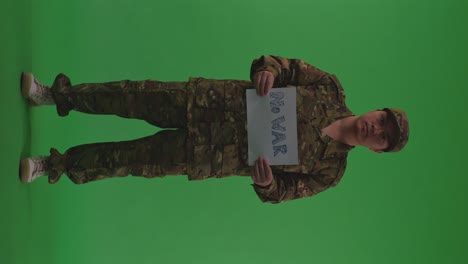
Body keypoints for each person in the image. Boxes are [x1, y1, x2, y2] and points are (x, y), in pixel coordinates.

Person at [19, 55, 410, 204]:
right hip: (207, 101)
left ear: (377, 149)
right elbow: (280, 64)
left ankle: (53, 165)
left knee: (126, 160)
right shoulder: (329, 88)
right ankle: (56, 96)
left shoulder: (330, 171)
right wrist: (268, 73)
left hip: (208, 155)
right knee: (128, 96)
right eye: (382, 120)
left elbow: (283, 194)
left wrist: (267, 183)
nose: (376, 128)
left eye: (383, 136)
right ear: (376, 110)